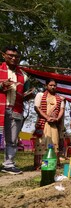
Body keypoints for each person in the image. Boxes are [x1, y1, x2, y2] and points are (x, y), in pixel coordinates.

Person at [0, 46, 30, 174]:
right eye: (10, 55)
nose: (13, 58)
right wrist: (1, 85)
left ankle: (9, 164)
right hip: (1, 107)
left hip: (16, 109)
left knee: (12, 139)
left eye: (16, 56)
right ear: (3, 56)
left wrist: (28, 96)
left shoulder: (24, 75)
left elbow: (25, 92)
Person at [33, 79, 65, 170]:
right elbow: (37, 108)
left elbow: (61, 110)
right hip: (42, 124)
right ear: (46, 85)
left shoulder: (60, 98)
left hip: (54, 125)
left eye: (54, 85)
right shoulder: (40, 95)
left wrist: (56, 119)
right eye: (50, 85)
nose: (53, 87)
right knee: (42, 143)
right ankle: (41, 165)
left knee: (54, 143)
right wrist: (47, 117)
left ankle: (53, 164)